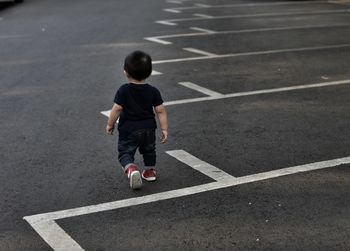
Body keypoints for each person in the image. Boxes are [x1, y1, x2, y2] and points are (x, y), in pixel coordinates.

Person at [106, 51, 168, 189]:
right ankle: (150, 171)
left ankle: (131, 169)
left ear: (125, 71)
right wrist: (164, 129)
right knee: (149, 150)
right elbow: (160, 110)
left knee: (125, 152)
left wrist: (110, 124)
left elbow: (116, 109)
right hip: (148, 129)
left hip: (129, 129)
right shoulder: (153, 91)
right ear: (149, 72)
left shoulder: (124, 90)